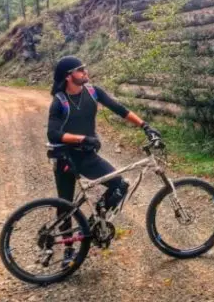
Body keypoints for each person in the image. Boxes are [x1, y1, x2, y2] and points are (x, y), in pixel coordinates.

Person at [46, 55, 161, 263]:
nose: (85, 72)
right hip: (66, 158)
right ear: (69, 76)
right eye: (80, 69)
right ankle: (68, 249)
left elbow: (120, 110)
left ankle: (94, 222)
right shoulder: (59, 101)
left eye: (85, 68)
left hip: (87, 157)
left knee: (119, 184)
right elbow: (53, 134)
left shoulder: (93, 92)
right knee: (65, 205)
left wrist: (145, 126)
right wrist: (82, 138)